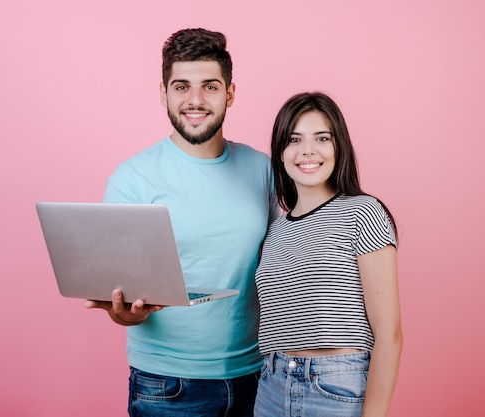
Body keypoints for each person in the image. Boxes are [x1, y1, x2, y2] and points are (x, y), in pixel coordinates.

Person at [85, 28, 277, 417]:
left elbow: (282, 257)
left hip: (257, 378)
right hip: (169, 386)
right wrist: (122, 311)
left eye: (209, 86)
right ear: (163, 93)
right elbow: (117, 293)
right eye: (181, 87)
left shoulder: (263, 170)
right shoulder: (132, 179)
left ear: (230, 93)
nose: (195, 100)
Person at [254, 92, 403, 417]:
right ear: (280, 152)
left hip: (334, 388)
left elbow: (389, 336)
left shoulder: (363, 212)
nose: (307, 150)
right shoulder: (274, 232)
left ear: (339, 148)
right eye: (294, 139)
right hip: (270, 387)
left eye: (322, 138)